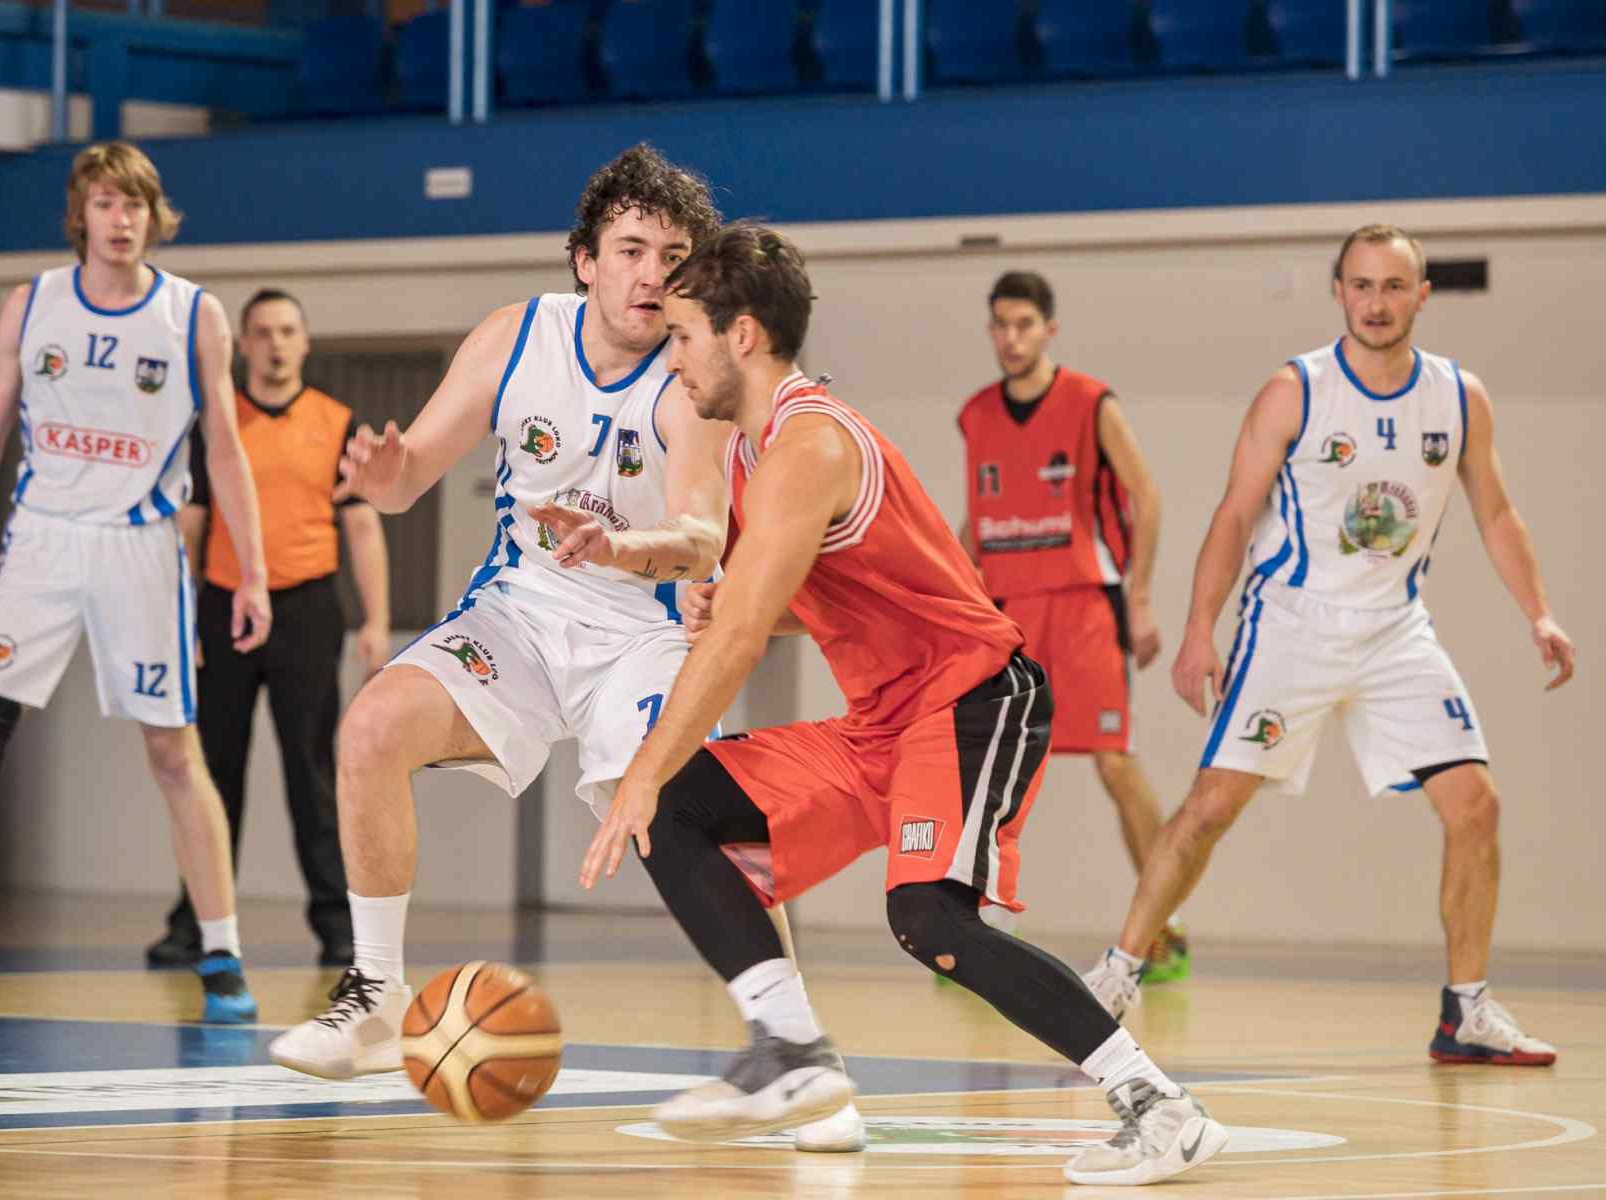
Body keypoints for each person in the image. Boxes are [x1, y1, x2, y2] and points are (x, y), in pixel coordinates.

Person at [580, 223, 1227, 1186]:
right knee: (677, 808)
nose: (671, 359)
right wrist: (728, 605)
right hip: (884, 719)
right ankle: (789, 1047)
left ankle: (1158, 1105)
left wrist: (647, 754)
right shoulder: (756, 451)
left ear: (741, 335)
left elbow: (741, 639)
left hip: (971, 696)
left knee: (930, 918)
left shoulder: (809, 443)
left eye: (683, 337)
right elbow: (801, 606)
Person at [264, 144, 861, 1155]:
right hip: (522, 616)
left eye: (671, 258)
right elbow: (407, 483)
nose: (650, 275)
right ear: (584, 260)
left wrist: (628, 549)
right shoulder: (515, 338)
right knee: (369, 730)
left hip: (644, 632)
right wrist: (383, 470)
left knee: (685, 811)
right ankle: (374, 995)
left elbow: (702, 535)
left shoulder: (689, 375)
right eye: (630, 250)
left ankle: (795, 1047)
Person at [1081, 224, 1574, 1067]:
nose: (1377, 302)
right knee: (1210, 807)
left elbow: (1496, 512)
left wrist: (1540, 613)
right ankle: (1116, 975)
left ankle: (1465, 1013)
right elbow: (1234, 514)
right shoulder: (1295, 391)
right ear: (1339, 292)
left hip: (1396, 632)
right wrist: (1200, 629)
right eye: (1362, 285)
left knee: (1476, 806)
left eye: (1394, 286)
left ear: (1422, 296)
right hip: (1291, 626)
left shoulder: (1459, 398)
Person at [0, 141, 272, 1024]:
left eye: (134, 204)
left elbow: (224, 450)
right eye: (105, 203)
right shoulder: (31, 306)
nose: (120, 220)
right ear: (81, 216)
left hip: (140, 547)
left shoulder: (194, 316)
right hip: (41, 544)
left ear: (154, 217)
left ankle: (223, 958)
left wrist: (253, 573)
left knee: (172, 754)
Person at [145, 288, 391, 969]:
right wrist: (180, 620)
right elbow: (189, 529)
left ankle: (338, 926)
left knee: (312, 774)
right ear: (244, 344)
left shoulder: (337, 422)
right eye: (263, 332)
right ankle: (196, 924)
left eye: (287, 331)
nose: (276, 344)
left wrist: (375, 620)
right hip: (225, 608)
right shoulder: (216, 422)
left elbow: (363, 526)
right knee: (210, 770)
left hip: (307, 610)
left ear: (304, 342)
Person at [957, 271, 1186, 980]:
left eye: (1024, 324)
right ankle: (975, 927)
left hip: (1086, 605)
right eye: (1000, 325)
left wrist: (1139, 598)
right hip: (1008, 612)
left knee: (1116, 763)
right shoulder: (976, 415)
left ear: (1049, 329)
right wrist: (953, 603)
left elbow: (1148, 498)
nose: (1011, 338)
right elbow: (977, 521)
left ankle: (1163, 931)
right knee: (989, 770)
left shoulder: (1091, 403)